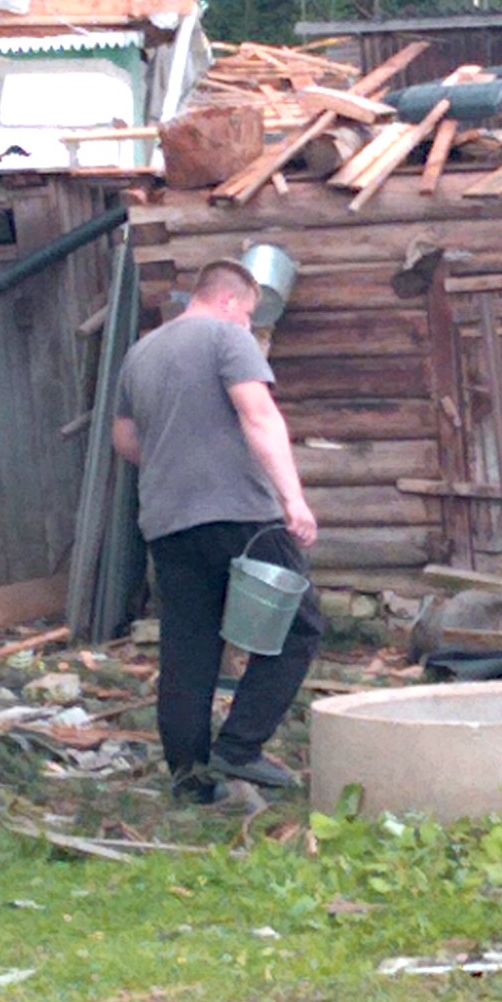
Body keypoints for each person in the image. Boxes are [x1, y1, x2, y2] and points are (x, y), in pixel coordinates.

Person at [112, 259, 327, 803]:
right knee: (298, 628)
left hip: (168, 524)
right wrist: (293, 499)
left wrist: (177, 459)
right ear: (230, 301)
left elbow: (125, 441)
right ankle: (240, 746)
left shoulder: (141, 354)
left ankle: (189, 777)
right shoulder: (227, 340)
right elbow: (259, 417)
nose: (248, 325)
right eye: (249, 314)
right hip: (241, 517)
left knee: (189, 647)